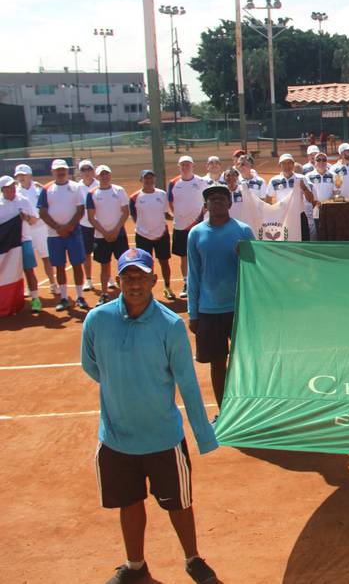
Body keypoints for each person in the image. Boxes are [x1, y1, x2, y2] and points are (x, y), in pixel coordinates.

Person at [83, 247, 220, 584]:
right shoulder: (97, 320)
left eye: (141, 276)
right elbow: (91, 365)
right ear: (118, 281)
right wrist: (123, 383)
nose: (135, 283)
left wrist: (203, 436)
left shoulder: (170, 325)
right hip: (117, 437)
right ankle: (135, 565)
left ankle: (193, 559)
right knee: (129, 503)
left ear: (154, 280)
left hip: (163, 438)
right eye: (128, 276)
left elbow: (187, 382)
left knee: (179, 504)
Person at [186, 184, 254, 407]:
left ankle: (245, 409)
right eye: (212, 200)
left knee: (245, 362)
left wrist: (243, 257)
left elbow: (256, 270)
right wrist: (193, 313)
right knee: (217, 364)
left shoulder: (243, 231)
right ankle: (223, 411)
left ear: (230, 204)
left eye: (221, 199)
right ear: (205, 206)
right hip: (209, 310)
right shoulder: (196, 234)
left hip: (239, 309)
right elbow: (193, 275)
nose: (216, 203)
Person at [37, 159, 88, 311]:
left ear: (67, 171)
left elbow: (80, 210)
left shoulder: (76, 187)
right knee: (59, 266)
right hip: (54, 235)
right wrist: (58, 228)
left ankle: (80, 297)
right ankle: (64, 298)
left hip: (74, 233)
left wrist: (68, 227)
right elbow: (42, 212)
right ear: (53, 172)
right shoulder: (46, 189)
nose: (61, 172)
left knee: (77, 264)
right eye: (58, 170)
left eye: (63, 170)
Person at [86, 165, 130, 305]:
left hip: (119, 235)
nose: (104, 176)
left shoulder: (119, 190)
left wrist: (116, 230)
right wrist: (105, 233)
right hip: (101, 237)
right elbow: (91, 217)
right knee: (104, 265)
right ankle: (104, 294)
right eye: (101, 174)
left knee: (123, 265)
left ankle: (126, 293)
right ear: (97, 177)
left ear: (110, 175)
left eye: (107, 174)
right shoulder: (91, 193)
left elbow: (125, 212)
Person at [130, 170, 175, 300]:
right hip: (143, 236)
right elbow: (134, 216)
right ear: (141, 180)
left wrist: (177, 219)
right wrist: (144, 229)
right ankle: (146, 291)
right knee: (144, 264)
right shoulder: (134, 197)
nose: (148, 180)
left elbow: (166, 213)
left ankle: (167, 287)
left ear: (154, 179)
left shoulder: (162, 194)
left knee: (164, 262)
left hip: (161, 234)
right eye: (146, 178)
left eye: (151, 178)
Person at [169, 156, 209, 299]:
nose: (185, 167)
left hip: (199, 226)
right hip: (180, 227)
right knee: (184, 256)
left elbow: (207, 201)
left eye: (188, 164)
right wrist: (179, 216)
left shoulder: (201, 182)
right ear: (179, 166)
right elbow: (171, 202)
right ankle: (186, 283)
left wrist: (198, 218)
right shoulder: (173, 183)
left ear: (193, 166)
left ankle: (203, 283)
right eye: (182, 165)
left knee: (201, 254)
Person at [0, 175, 41, 312]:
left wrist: (27, 217)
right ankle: (7, 301)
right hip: (6, 247)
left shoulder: (23, 201)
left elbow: (34, 220)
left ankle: (35, 299)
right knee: (5, 272)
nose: (12, 189)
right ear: (3, 189)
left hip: (24, 241)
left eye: (13, 186)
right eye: (9, 187)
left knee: (29, 270)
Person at [15, 164, 56, 295]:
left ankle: (53, 283)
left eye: (23, 175)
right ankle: (29, 286)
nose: (21, 177)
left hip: (41, 229)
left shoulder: (39, 189)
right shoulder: (15, 192)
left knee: (46, 258)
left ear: (30, 176)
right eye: (19, 175)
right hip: (25, 231)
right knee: (27, 261)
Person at [267, 153, 314, 241]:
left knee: (303, 241)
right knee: (284, 242)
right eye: (284, 163)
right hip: (282, 217)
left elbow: (311, 200)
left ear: (293, 165)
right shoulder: (274, 181)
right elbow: (268, 200)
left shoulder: (301, 178)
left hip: (299, 216)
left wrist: (304, 188)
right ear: (279, 165)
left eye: (289, 163)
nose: (287, 166)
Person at [77, 159, 98, 292]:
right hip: (84, 225)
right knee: (86, 254)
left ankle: (108, 279)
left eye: (89, 169)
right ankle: (88, 280)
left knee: (104, 253)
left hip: (100, 224)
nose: (86, 172)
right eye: (83, 170)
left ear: (93, 170)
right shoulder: (76, 187)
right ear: (80, 172)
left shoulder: (100, 184)